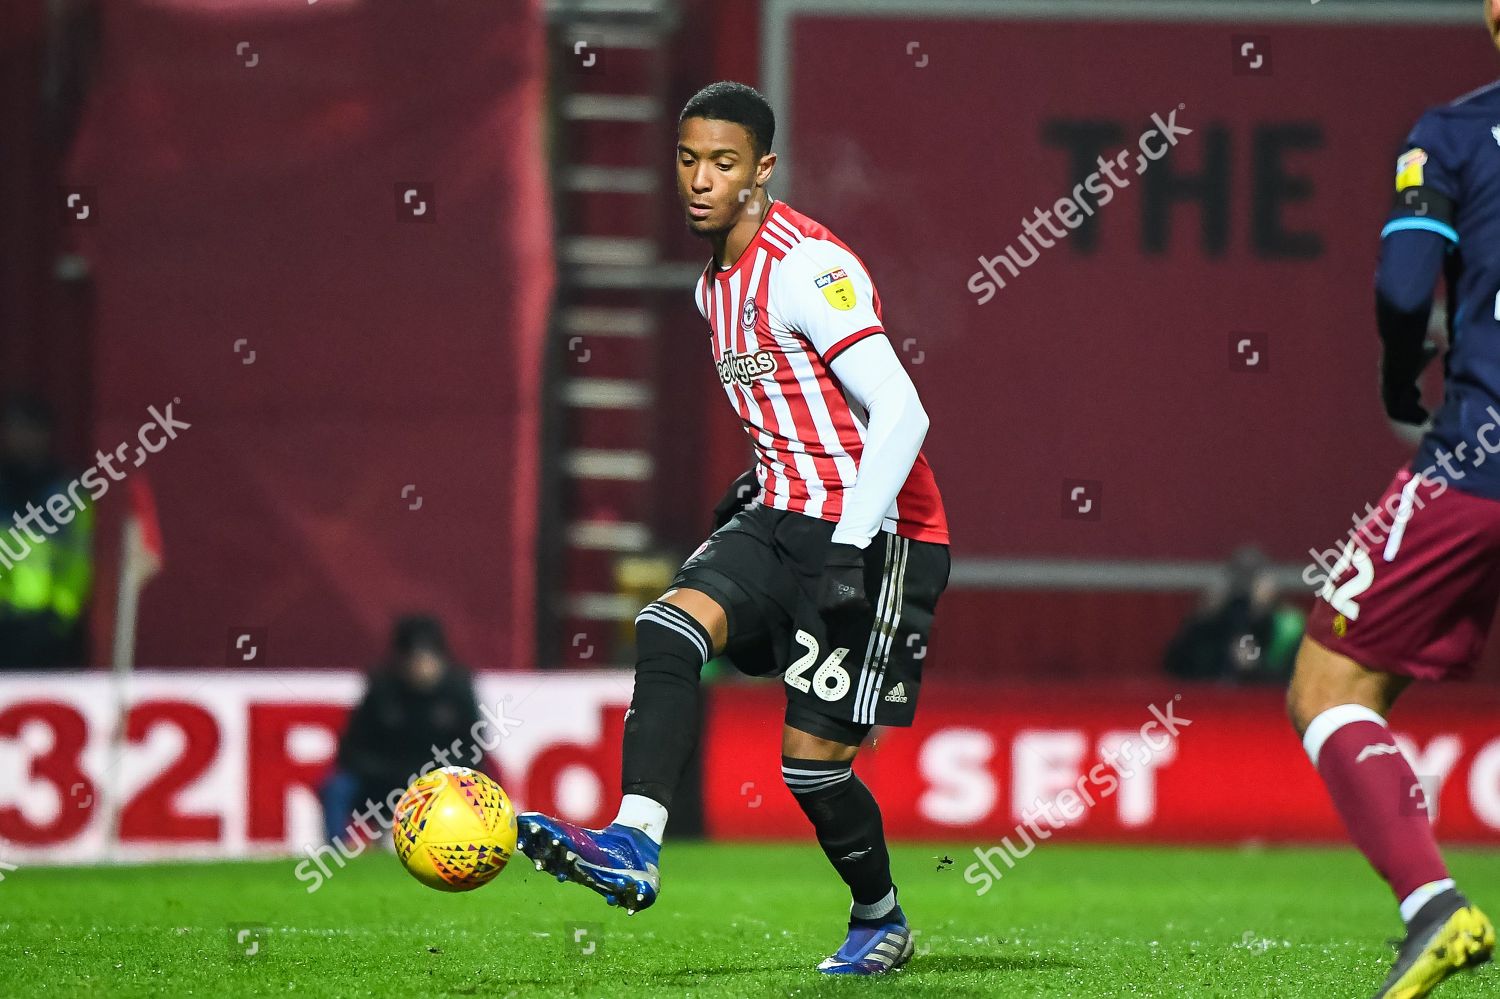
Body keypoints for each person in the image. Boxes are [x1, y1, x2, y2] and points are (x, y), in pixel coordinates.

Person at [518, 81, 950, 975]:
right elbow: (806, 406)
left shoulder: (806, 267)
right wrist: (759, 476)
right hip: (781, 510)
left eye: (723, 162)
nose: (701, 180)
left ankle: (881, 917)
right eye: (687, 160)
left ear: (764, 168)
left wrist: (849, 547)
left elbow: (901, 414)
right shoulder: (712, 288)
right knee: (667, 626)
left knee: (813, 769)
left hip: (882, 535)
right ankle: (636, 842)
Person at [1287, 16, 1500, 996]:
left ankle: (1434, 907)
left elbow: (1404, 285)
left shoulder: (1452, 136)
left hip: (1477, 465)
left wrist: (1393, 376)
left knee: (1332, 686)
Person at [320, 615, 485, 845]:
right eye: (414, 659)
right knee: (337, 788)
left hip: (437, 783)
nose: (422, 666)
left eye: (428, 658)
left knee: (479, 789)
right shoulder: (382, 690)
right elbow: (352, 750)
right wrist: (390, 772)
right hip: (384, 781)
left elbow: (474, 749)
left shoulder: (457, 689)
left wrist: (434, 774)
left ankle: (475, 846)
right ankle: (335, 851)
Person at [0, 396, 93, 669]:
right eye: (13, 429)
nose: (19, 438)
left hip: (44, 627)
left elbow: (78, 558)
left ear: (45, 434)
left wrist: (60, 616)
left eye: (27, 429)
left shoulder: (67, 493)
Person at [1164, 546, 1303, 684]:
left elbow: (1294, 682)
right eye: (1241, 578)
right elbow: (1176, 668)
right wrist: (1201, 619)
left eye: (1254, 578)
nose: (1246, 589)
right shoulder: (1215, 621)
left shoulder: (1288, 625)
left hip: (1267, 701)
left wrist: (1255, 668)